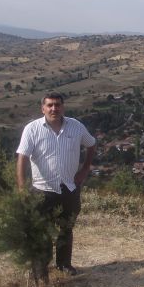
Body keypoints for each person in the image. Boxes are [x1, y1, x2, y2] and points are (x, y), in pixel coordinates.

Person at [16, 92, 96, 276]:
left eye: (57, 105)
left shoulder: (76, 126)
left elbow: (91, 144)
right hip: (42, 191)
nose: (54, 108)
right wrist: (22, 189)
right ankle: (40, 270)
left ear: (63, 107)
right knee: (42, 232)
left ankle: (64, 265)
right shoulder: (32, 129)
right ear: (42, 108)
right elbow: (22, 158)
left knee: (66, 229)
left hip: (69, 188)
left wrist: (84, 171)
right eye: (50, 105)